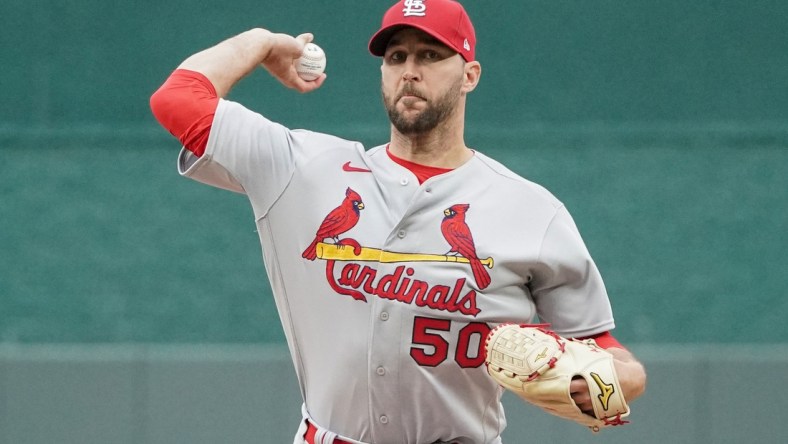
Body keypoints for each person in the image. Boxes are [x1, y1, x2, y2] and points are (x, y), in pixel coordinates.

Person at [149, 0, 647, 443]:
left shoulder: (531, 210)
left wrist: (602, 382)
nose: (410, 70)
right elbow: (175, 98)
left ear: (469, 74)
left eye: (430, 55)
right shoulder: (303, 168)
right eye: (396, 57)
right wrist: (259, 42)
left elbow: (612, 358)